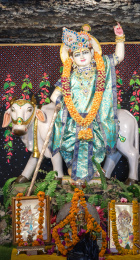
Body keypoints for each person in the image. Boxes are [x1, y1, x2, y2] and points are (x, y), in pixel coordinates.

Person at [50, 23, 125, 181]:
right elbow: (54, 95)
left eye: (85, 52)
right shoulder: (68, 77)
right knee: (66, 144)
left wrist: (119, 38)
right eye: (77, 54)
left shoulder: (100, 71)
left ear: (92, 53)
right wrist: (59, 101)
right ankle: (72, 170)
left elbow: (118, 58)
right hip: (73, 121)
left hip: (95, 120)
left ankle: (97, 170)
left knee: (100, 144)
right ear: (71, 58)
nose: (82, 56)